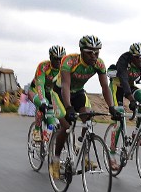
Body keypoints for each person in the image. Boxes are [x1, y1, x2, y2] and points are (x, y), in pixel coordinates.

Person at [49, 35, 118, 178]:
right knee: (66, 126)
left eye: (97, 52)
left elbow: (105, 87)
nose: (94, 56)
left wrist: (111, 107)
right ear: (81, 51)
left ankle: (83, 154)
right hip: (60, 92)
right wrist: (68, 108)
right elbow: (65, 86)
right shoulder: (69, 61)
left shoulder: (99, 64)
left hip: (79, 93)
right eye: (89, 52)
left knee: (88, 116)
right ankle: (55, 161)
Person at [29, 45, 66, 140]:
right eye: (56, 58)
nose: (59, 61)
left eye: (61, 59)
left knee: (52, 121)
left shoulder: (64, 69)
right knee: (42, 106)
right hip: (35, 90)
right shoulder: (43, 66)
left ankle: (47, 141)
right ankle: (36, 130)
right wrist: (43, 101)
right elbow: (40, 84)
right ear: (50, 58)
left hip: (50, 93)